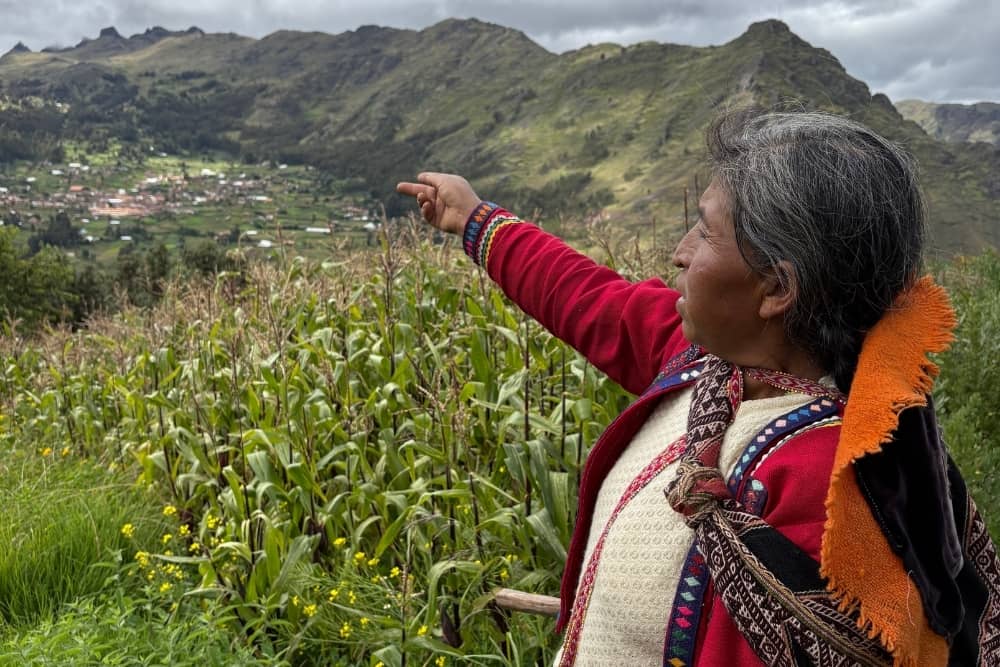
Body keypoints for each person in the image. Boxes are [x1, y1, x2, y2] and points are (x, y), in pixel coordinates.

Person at [397, 108, 1000, 666]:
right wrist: (474, 219)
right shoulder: (712, 366)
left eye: (705, 232)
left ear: (776, 290)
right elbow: (586, 299)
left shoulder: (826, 489)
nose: (680, 253)